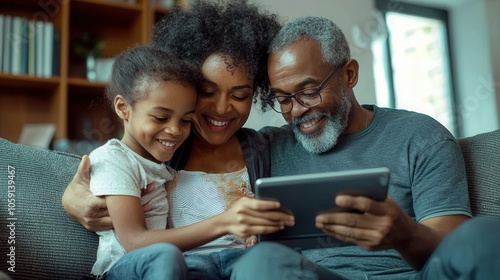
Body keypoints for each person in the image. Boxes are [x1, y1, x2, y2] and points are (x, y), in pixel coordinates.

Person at [229, 16, 500, 280]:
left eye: (309, 91)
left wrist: (405, 234)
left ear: (349, 74)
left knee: (484, 234)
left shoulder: (420, 136)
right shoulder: (267, 148)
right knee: (261, 261)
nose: (297, 110)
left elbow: (455, 252)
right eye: (283, 98)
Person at [63, 0, 293, 279]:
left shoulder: (266, 149)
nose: (222, 108)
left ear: (256, 91)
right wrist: (69, 198)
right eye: (207, 92)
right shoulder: (160, 149)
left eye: (239, 95)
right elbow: (109, 172)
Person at [86, 45, 200, 279]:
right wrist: (223, 224)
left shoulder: (162, 164)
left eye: (186, 120)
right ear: (123, 108)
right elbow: (135, 241)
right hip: (120, 269)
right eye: (160, 117)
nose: (175, 130)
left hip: (159, 267)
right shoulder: (113, 159)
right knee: (166, 256)